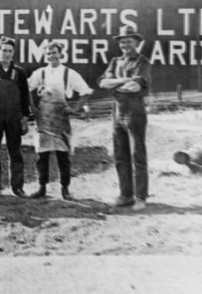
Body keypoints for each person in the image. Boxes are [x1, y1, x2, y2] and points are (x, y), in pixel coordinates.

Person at [28, 41, 93, 200]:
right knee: (42, 155)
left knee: (62, 155)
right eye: (49, 53)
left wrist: (75, 109)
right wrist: (32, 108)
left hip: (61, 119)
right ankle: (41, 188)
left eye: (54, 52)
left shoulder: (69, 73)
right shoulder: (40, 73)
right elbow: (26, 88)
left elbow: (85, 91)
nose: (52, 56)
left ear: (61, 54)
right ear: (45, 55)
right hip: (43, 118)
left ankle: (65, 189)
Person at [98, 26, 152, 210]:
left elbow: (135, 87)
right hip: (117, 113)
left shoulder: (142, 61)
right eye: (122, 41)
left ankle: (141, 197)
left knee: (137, 155)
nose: (125, 45)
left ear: (136, 42)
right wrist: (123, 81)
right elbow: (104, 83)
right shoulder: (115, 61)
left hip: (135, 113)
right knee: (120, 156)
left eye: (129, 41)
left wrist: (116, 84)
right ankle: (125, 195)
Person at [0, 36, 32, 197]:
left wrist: (24, 117)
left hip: (14, 117)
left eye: (10, 51)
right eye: (4, 50)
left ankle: (17, 187)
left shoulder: (20, 73)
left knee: (15, 151)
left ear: (13, 53)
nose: (7, 54)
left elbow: (25, 96)